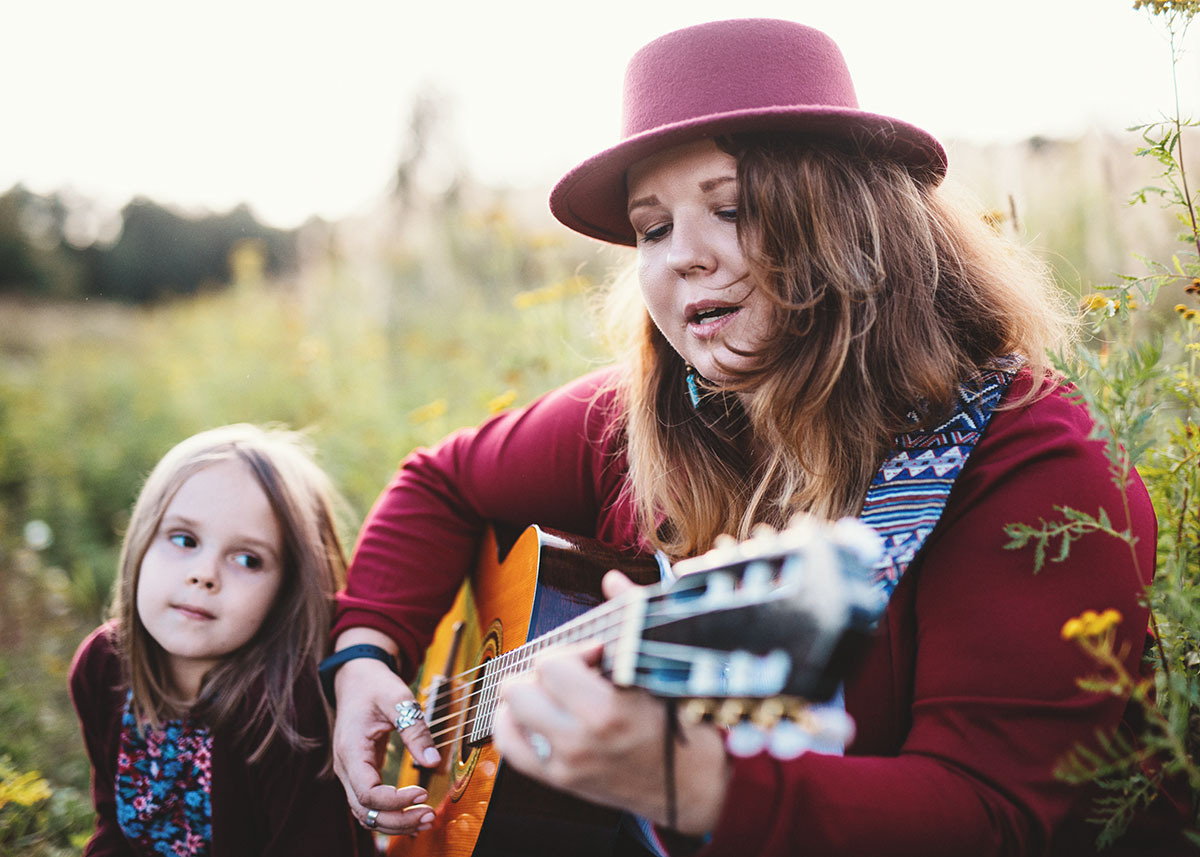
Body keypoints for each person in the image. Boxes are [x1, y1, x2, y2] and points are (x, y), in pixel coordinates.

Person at [327, 18, 1187, 857]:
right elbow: (440, 482)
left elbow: (989, 812)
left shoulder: (1033, 461)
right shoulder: (647, 418)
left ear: (854, 217)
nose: (680, 258)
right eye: (652, 227)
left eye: (731, 208)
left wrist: (699, 787)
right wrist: (366, 653)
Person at [69, 424, 372, 856]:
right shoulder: (104, 664)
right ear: (141, 541)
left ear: (287, 591)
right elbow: (116, 832)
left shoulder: (288, 712)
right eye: (184, 539)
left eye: (247, 559)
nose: (204, 574)